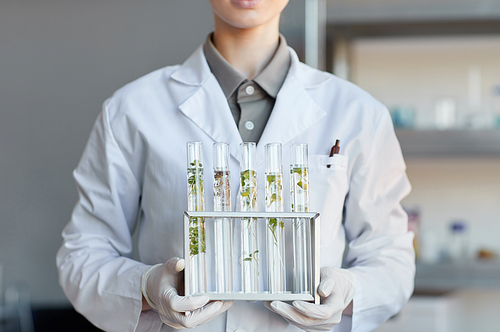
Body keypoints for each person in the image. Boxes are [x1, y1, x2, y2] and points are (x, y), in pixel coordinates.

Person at [56, 0, 415, 331]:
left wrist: (350, 289)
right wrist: (147, 288)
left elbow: (392, 259)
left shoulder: (358, 113)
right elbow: (82, 256)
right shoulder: (132, 110)